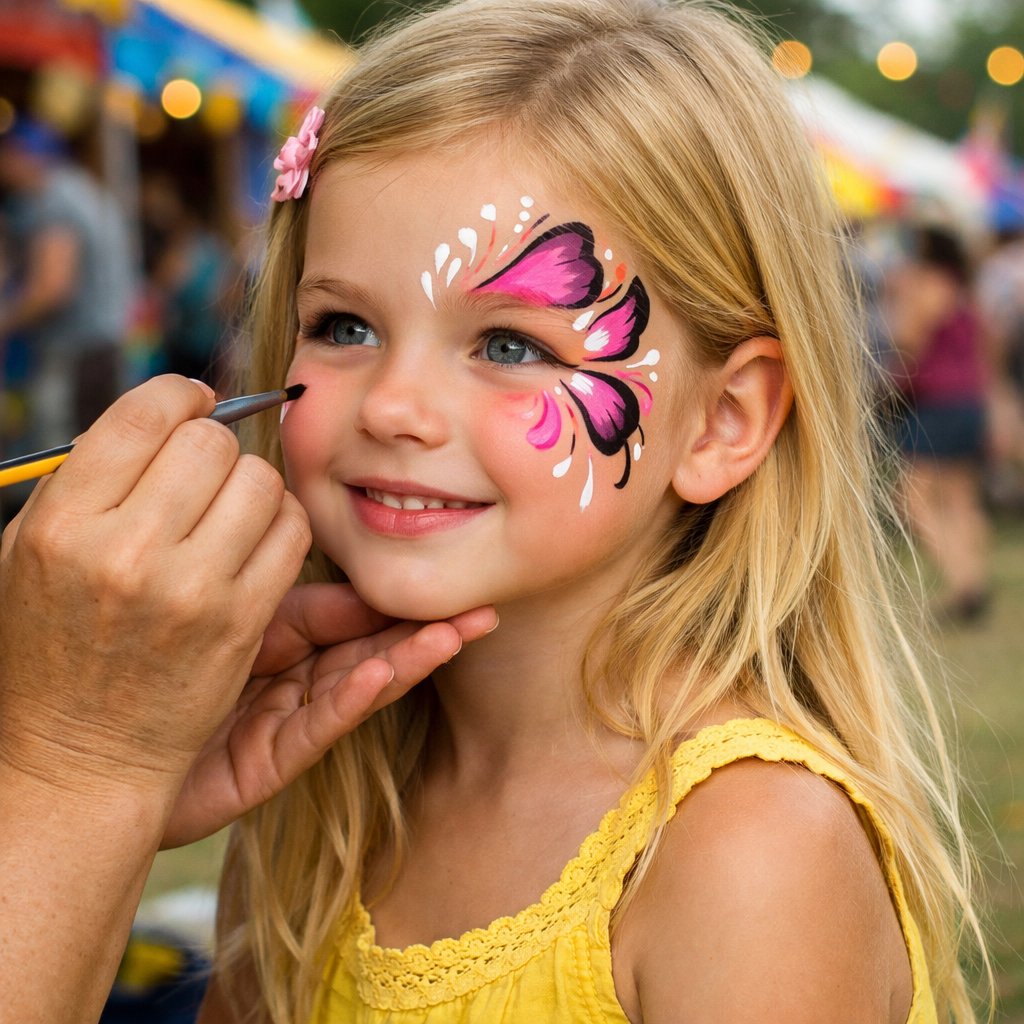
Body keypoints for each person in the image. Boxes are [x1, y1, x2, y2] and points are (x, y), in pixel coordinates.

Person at [0, 1, 984, 1022]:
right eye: (341, 324)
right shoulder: (324, 783)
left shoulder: (747, 849)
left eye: (509, 346)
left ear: (721, 421)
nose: (391, 406)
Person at [0, 116, 133, 448]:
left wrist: (5, 320)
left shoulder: (53, 199)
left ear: (20, 154)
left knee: (66, 455)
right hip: (104, 343)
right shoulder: (81, 188)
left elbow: (53, 286)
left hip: (76, 350)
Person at [887, 226, 991, 621]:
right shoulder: (965, 291)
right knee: (960, 498)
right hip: (969, 401)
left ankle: (960, 581)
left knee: (912, 498)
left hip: (938, 404)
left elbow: (907, 340)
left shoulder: (928, 286)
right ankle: (972, 582)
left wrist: (900, 297)